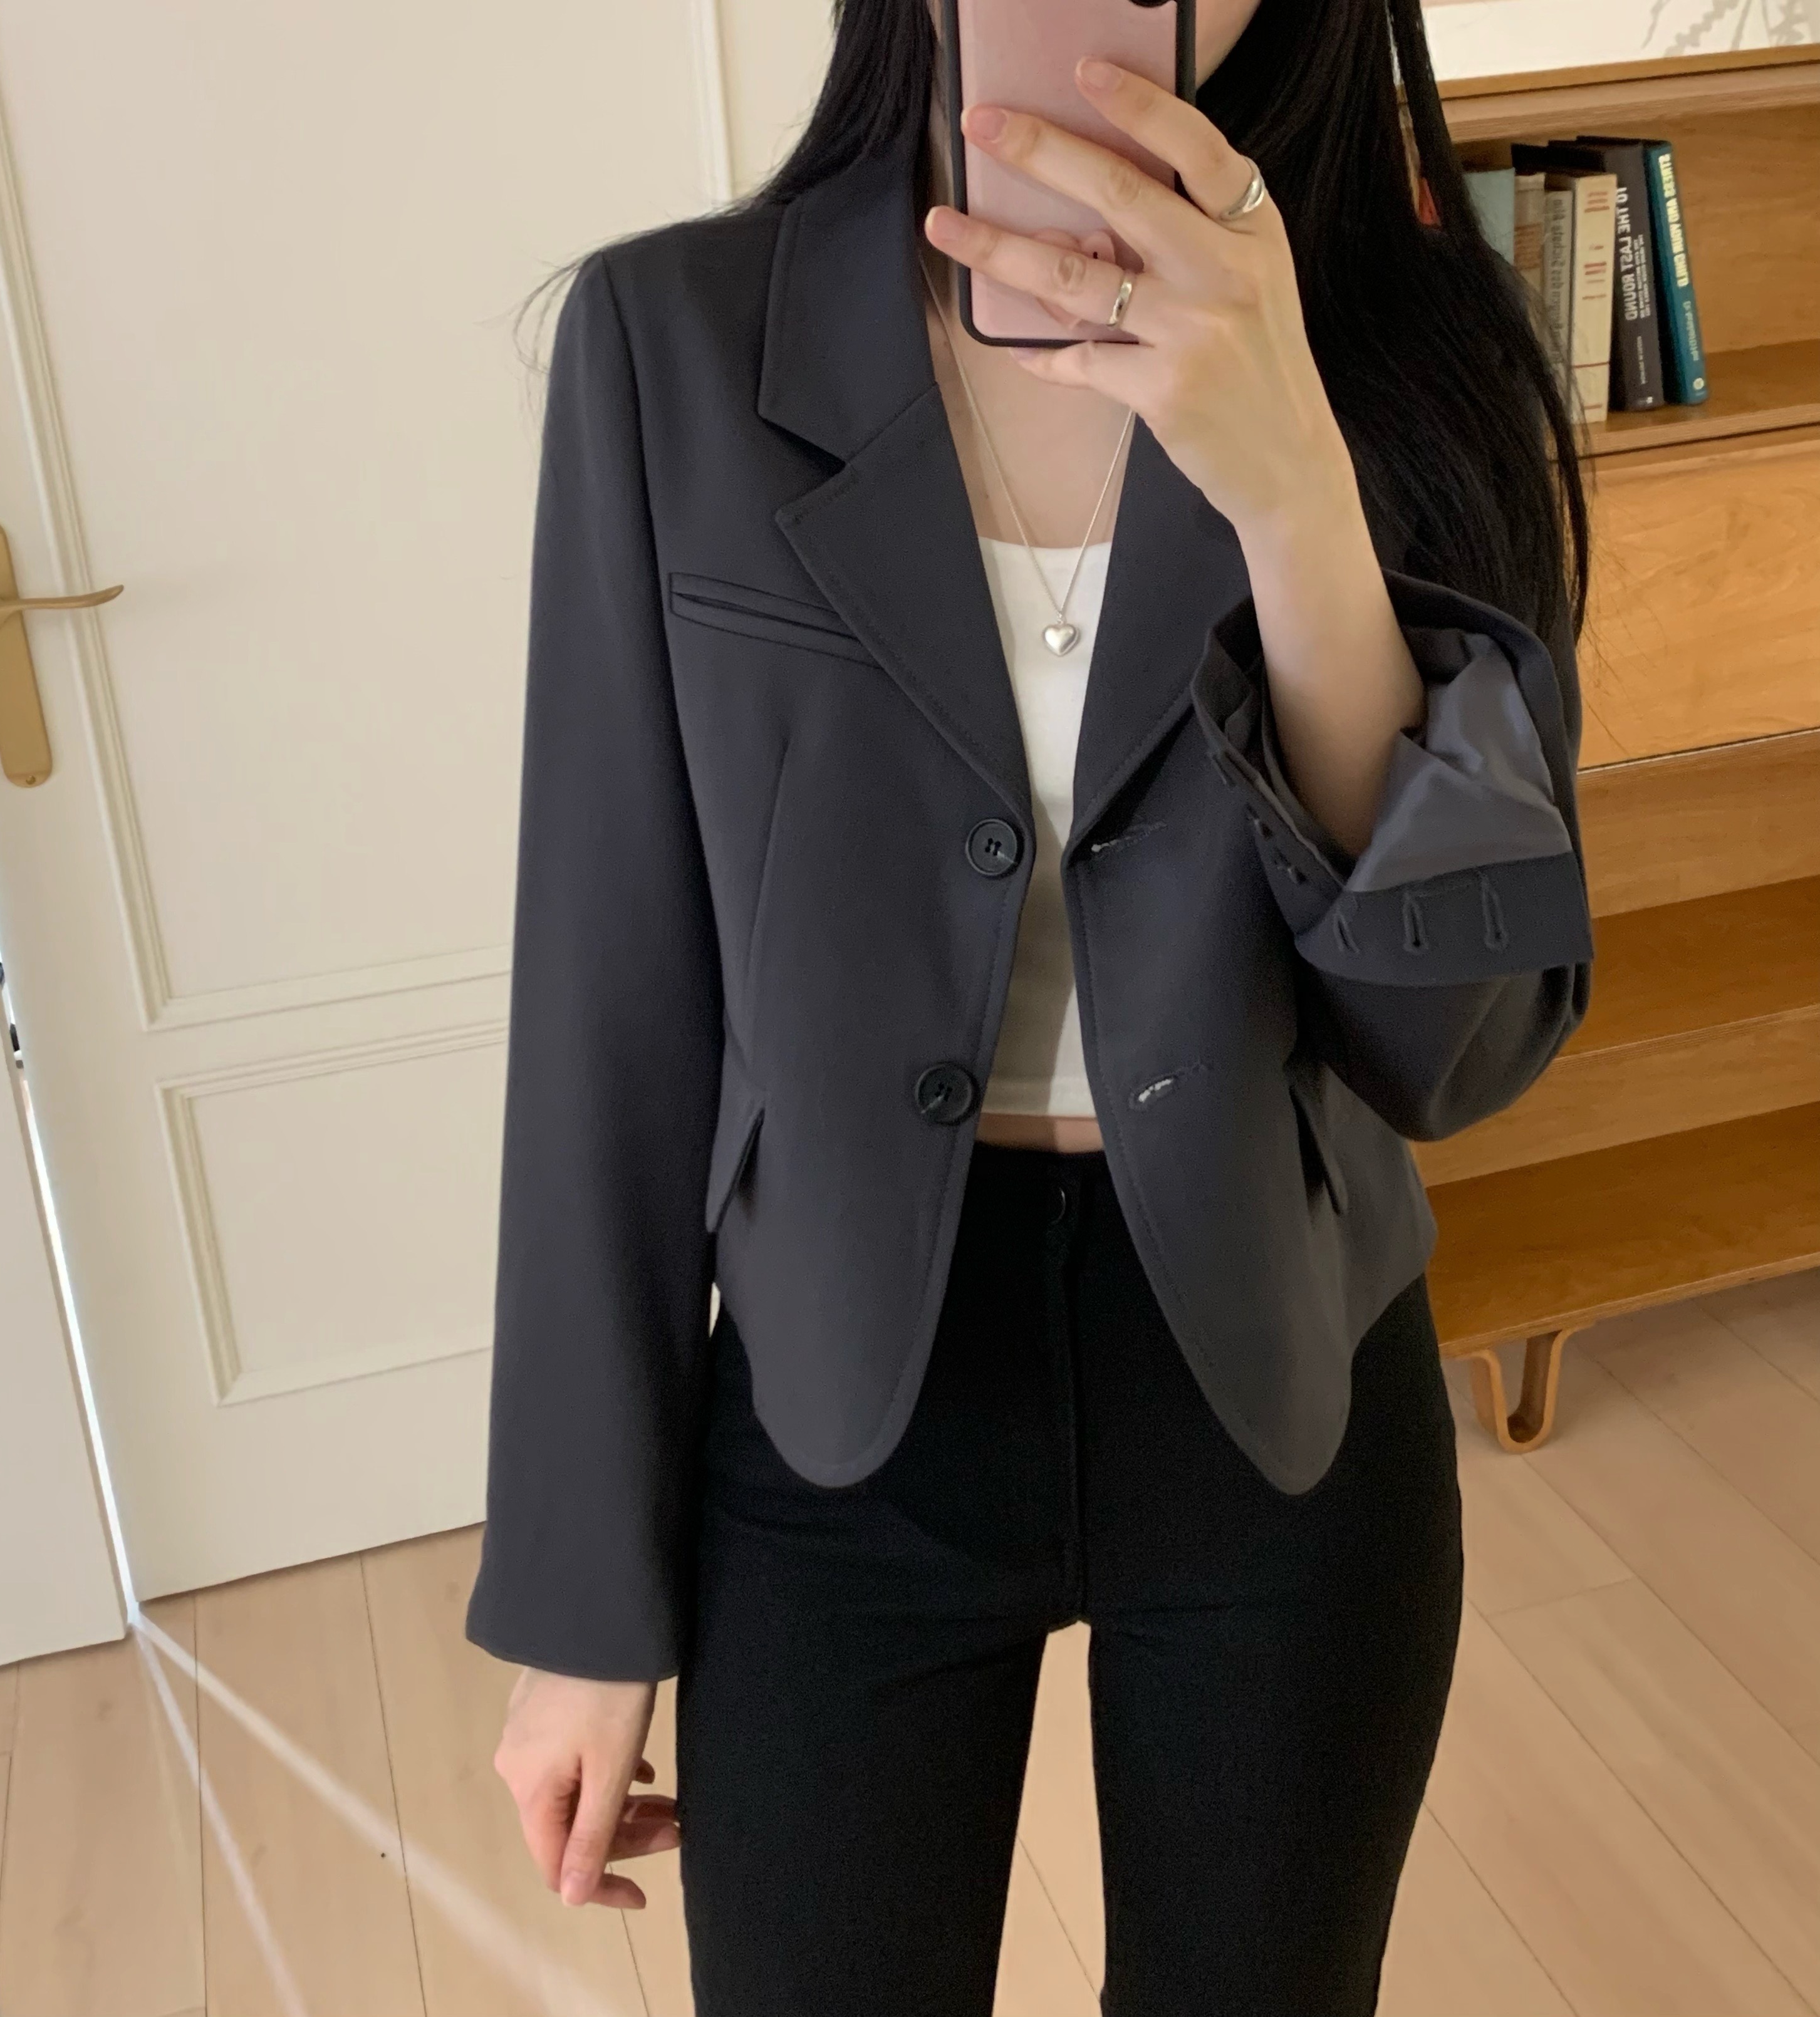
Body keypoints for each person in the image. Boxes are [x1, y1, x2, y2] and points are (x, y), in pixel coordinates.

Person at [468, 0, 1594, 2009]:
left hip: (1279, 1391)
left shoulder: (1413, 350)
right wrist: (583, 1600)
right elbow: (610, 1008)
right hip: (839, 1407)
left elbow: (1465, 1041)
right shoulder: (670, 350)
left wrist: (1297, 496)